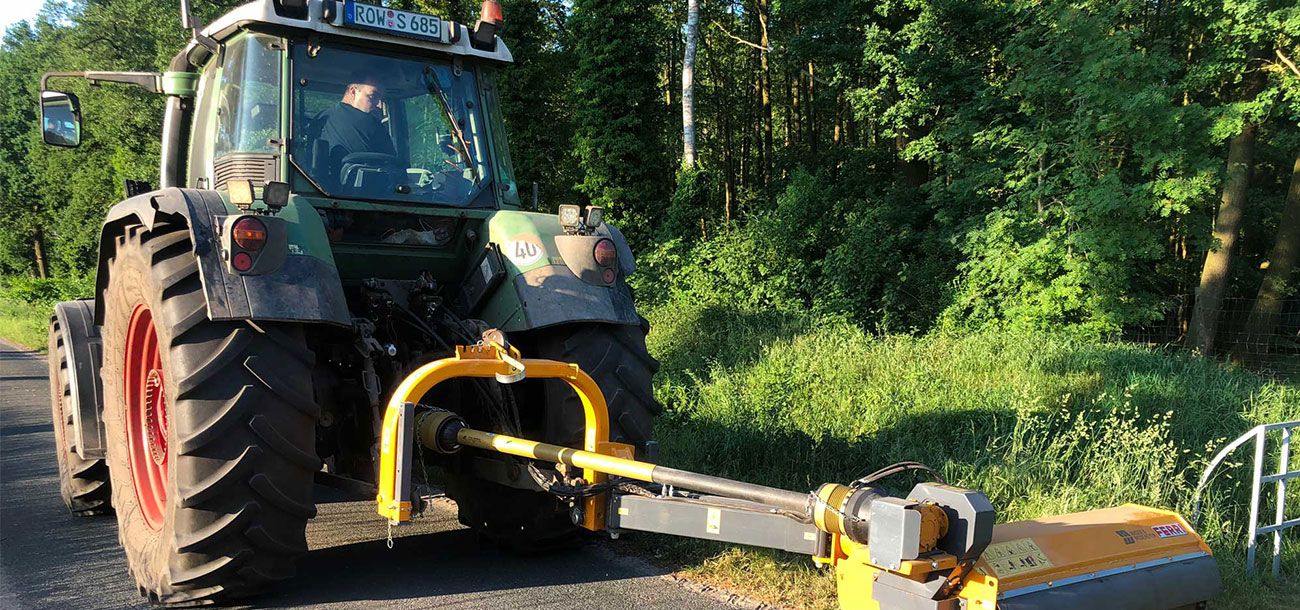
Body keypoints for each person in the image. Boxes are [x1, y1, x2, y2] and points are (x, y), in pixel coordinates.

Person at [316, 75, 396, 161]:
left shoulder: (319, 119)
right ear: (353, 91)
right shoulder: (374, 125)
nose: (379, 104)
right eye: (373, 96)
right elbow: (392, 163)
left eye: (381, 98)